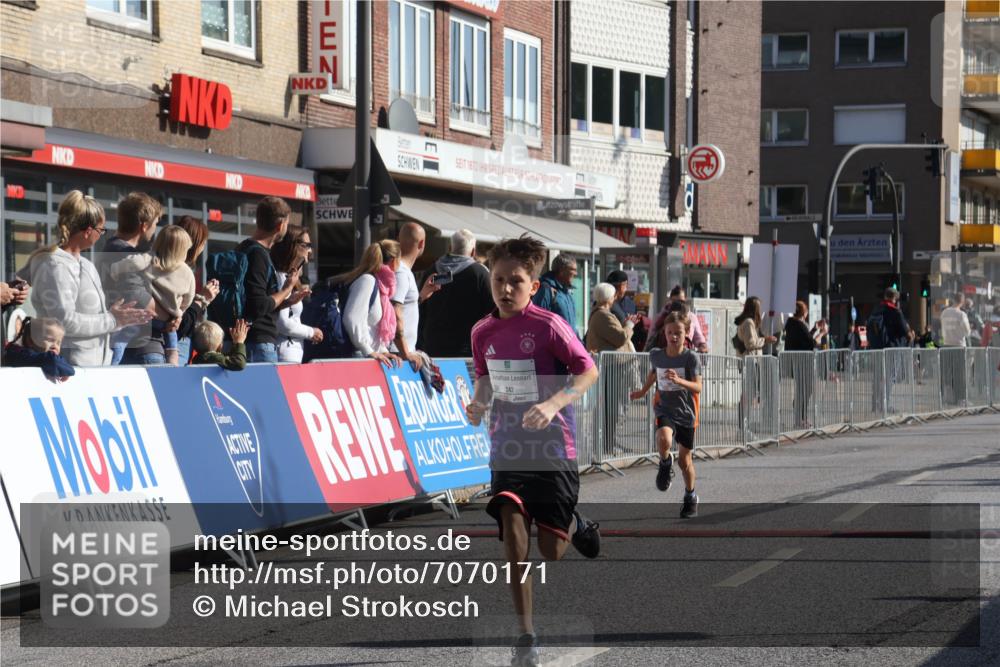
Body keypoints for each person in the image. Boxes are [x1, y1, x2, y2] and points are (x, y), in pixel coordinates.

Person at [465, 236, 600, 666]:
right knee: (512, 534)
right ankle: (525, 636)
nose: (505, 288)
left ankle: (573, 522)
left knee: (550, 551)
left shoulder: (548, 326)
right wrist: (478, 401)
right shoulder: (481, 331)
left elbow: (588, 370)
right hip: (508, 445)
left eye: (515, 281)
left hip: (554, 446)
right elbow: (484, 377)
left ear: (534, 286)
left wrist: (553, 402)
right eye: (498, 279)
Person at [16, 190, 151, 366]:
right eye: (101, 230)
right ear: (88, 231)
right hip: (69, 368)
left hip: (92, 368)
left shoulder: (86, 265)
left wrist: (118, 319)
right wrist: (112, 319)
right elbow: (64, 321)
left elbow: (93, 318)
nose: (101, 235)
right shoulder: (55, 265)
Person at [630, 310, 703, 518]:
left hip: (687, 413)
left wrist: (680, 381)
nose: (673, 337)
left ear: (687, 333)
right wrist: (643, 391)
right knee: (663, 438)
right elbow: (654, 373)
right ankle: (664, 463)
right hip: (665, 408)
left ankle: (690, 496)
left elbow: (698, 387)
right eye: (670, 332)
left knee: (684, 461)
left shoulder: (690, 358)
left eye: (678, 333)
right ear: (665, 332)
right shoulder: (657, 355)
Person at [109, 225, 196, 366]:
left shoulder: (148, 259)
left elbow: (127, 264)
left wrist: (114, 271)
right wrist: (179, 312)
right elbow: (189, 298)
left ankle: (112, 364)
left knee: (121, 339)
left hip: (143, 316)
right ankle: (173, 358)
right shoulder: (187, 272)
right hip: (169, 322)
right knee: (172, 344)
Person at [238, 196, 309, 363]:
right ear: (280, 225)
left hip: (243, 341)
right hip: (258, 343)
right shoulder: (259, 255)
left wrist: (287, 302)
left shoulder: (243, 247)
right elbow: (259, 306)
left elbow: (254, 303)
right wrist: (286, 289)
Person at [96, 191, 163, 365]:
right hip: (134, 345)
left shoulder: (111, 248)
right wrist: (170, 312)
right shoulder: (126, 255)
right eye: (156, 223)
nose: (156, 228)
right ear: (144, 225)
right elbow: (137, 297)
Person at [417, 229, 494, 358]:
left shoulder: (431, 271)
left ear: (450, 247)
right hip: (466, 349)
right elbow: (491, 312)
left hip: (432, 346)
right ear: (473, 251)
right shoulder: (480, 274)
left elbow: (421, 309)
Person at [587, 282, 639, 456]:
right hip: (614, 366)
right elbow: (620, 338)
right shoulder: (603, 315)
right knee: (614, 407)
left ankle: (609, 443)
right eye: (613, 295)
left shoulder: (600, 314)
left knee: (613, 407)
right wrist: (630, 325)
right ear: (609, 298)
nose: (616, 298)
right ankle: (607, 445)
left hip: (613, 366)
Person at [337, 239, 403, 367]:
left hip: (367, 357)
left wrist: (382, 351)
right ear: (394, 262)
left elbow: (373, 328)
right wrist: (368, 351)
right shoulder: (367, 281)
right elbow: (352, 319)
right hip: (358, 357)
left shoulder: (380, 287)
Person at [270, 225, 322, 363]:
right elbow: (282, 323)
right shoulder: (281, 278)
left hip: (291, 354)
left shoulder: (289, 277)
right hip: (283, 355)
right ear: (293, 246)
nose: (310, 250)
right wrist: (311, 332)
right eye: (307, 245)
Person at [172, 215, 211, 365]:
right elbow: (182, 322)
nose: (202, 248)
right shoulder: (181, 271)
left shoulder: (168, 268)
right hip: (176, 344)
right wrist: (202, 299)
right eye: (202, 243)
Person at [392, 222, 426, 369]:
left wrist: (422, 295)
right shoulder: (401, 272)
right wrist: (406, 353)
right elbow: (394, 311)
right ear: (422, 243)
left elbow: (402, 306)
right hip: (398, 356)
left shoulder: (402, 271)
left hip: (399, 353)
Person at [3, 317, 75, 382]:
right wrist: (66, 370)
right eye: (49, 340)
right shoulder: (22, 356)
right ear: (31, 341)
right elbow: (52, 360)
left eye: (58, 343)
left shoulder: (41, 359)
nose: (55, 346)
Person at [784, 301, 816, 429]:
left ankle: (801, 418)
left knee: (803, 389)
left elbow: (806, 338)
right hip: (801, 362)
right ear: (804, 312)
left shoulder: (792, 324)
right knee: (805, 390)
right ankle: (800, 418)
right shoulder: (799, 325)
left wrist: (813, 329)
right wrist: (821, 333)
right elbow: (811, 343)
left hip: (796, 362)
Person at [532, 253, 578, 333]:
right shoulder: (546, 289)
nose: (576, 274)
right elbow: (538, 322)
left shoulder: (567, 292)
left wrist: (579, 344)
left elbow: (572, 327)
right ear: (562, 271)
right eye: (573, 270)